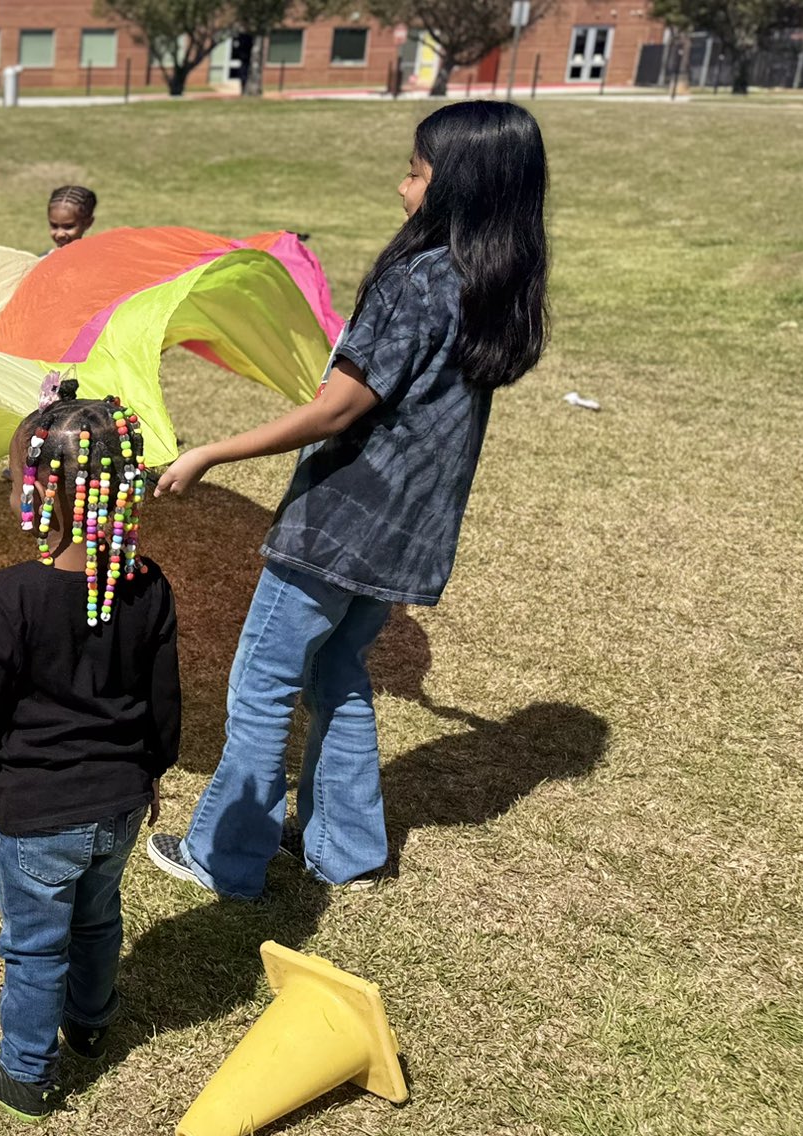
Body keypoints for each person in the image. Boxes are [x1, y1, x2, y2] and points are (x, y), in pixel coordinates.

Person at [143, 101, 550, 899]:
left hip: (339, 523)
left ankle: (224, 857)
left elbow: (338, 410)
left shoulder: (418, 280)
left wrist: (211, 453)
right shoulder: (494, 284)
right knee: (338, 672)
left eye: (415, 173)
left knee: (263, 682)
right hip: (407, 532)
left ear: (458, 187)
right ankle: (346, 851)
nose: (402, 187)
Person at [0, 384, 180, 1120]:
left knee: (35, 945)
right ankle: (90, 1022)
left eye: (14, 479)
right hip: (120, 806)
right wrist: (154, 770)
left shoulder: (12, 595)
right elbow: (164, 700)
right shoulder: (148, 587)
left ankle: (27, 1073)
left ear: (45, 497)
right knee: (97, 916)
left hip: (37, 817)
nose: (10, 492)